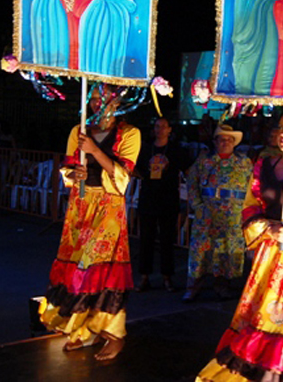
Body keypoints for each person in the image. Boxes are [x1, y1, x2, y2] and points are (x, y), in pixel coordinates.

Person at [197, 111, 283, 382]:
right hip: (271, 244)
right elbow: (250, 206)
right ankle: (256, 365)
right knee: (262, 308)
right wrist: (268, 228)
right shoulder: (263, 164)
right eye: (282, 128)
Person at [38, 90, 141, 360]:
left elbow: (122, 178)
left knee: (100, 268)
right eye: (94, 98)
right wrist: (75, 173)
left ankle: (114, 334)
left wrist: (94, 150)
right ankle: (84, 330)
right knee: (78, 269)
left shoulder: (130, 133)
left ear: (117, 103)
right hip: (80, 207)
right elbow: (67, 169)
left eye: (105, 99)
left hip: (108, 207)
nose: (99, 104)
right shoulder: (79, 130)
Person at [184, 124, 253, 301]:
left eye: (229, 140)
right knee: (200, 250)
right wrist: (197, 205)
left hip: (232, 215)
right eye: (221, 139)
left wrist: (247, 211)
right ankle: (193, 286)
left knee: (226, 249)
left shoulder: (244, 162)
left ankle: (222, 285)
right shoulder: (203, 161)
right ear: (215, 141)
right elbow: (191, 183)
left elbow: (252, 187)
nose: (225, 142)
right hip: (207, 213)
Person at [136, 117, 190, 292]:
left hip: (168, 199)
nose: (159, 129)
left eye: (163, 127)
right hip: (148, 197)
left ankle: (167, 277)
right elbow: (135, 167)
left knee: (167, 239)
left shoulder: (175, 149)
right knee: (146, 239)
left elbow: (187, 168)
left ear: (169, 130)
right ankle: (144, 276)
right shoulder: (145, 148)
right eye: (157, 126)